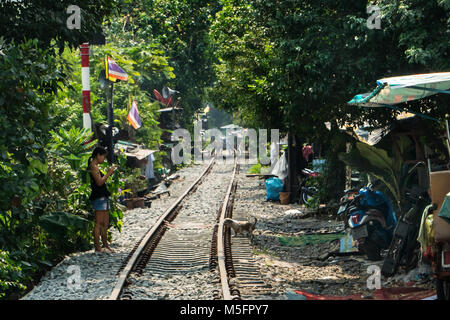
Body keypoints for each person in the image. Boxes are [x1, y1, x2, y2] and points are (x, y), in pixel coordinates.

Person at [87, 146, 117, 253]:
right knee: (99, 223)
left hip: (103, 196)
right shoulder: (94, 167)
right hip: (99, 197)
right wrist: (108, 173)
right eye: (103, 156)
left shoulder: (96, 166)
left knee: (105, 223)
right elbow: (99, 182)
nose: (104, 159)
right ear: (98, 155)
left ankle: (105, 245)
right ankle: (98, 247)